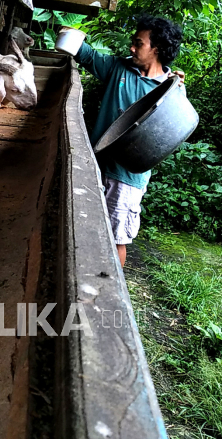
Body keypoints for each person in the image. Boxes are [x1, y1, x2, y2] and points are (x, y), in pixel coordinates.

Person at [73, 15, 185, 267]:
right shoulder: (119, 69)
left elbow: (172, 133)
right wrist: (70, 34)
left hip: (128, 178)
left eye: (139, 43)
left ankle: (112, 294)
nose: (131, 48)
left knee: (115, 239)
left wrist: (177, 86)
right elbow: (86, 55)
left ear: (156, 49)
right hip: (96, 164)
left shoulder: (171, 91)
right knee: (84, 227)